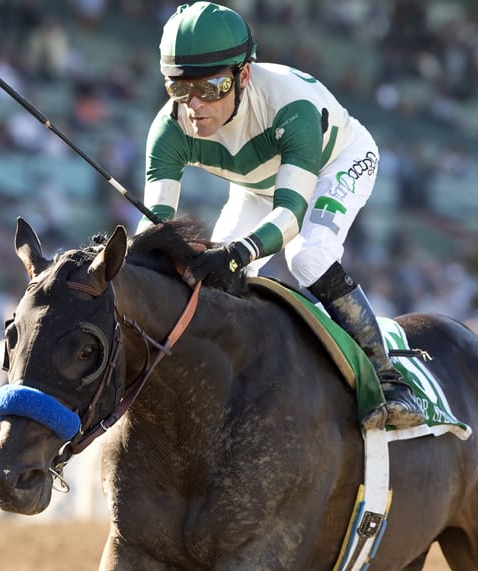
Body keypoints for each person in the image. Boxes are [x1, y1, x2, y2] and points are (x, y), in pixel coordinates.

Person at [137, 2, 424, 431]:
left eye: (211, 88)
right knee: (215, 282)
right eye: (179, 89)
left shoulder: (291, 106)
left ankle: (389, 379)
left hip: (337, 163)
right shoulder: (169, 128)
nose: (194, 106)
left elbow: (290, 216)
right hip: (257, 185)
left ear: (244, 75)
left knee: (308, 257)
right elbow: (154, 225)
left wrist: (237, 253)